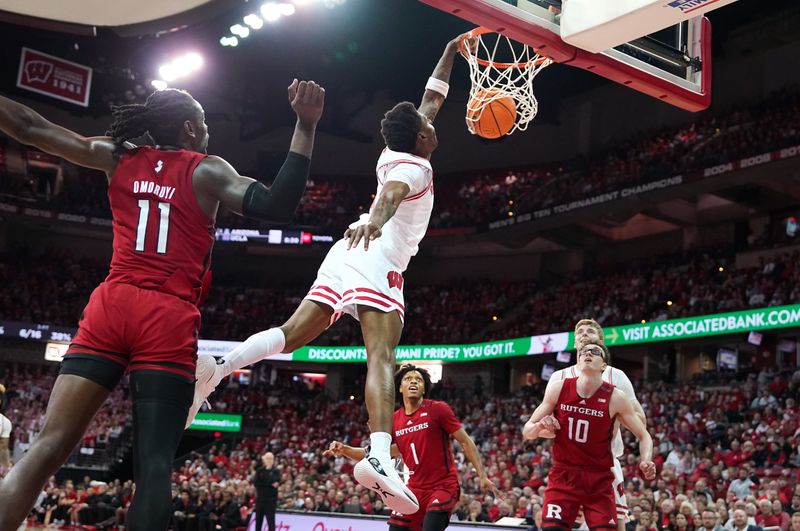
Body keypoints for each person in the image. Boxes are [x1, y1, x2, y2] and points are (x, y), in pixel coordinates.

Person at [0, 79, 325, 531]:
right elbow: (276, 204)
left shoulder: (116, 156)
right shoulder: (206, 169)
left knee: (47, 448)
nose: (209, 129)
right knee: (152, 465)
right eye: (205, 122)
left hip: (110, 305)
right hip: (166, 315)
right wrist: (305, 126)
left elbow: (31, 127)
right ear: (190, 129)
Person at [186, 35, 468, 514]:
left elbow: (433, 97)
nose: (433, 123)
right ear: (422, 137)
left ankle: (217, 368)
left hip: (346, 252)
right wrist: (376, 222)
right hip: (377, 255)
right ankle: (380, 456)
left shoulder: (401, 146)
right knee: (382, 355)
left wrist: (449, 49)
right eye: (428, 125)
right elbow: (390, 197)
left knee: (292, 336)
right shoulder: (411, 167)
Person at [323, 364, 499, 531]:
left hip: (443, 487)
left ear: (424, 389)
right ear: (400, 388)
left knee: (433, 522)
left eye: (419, 380)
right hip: (413, 489)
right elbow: (376, 454)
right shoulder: (393, 420)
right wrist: (345, 450)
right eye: (408, 378)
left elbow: (466, 441)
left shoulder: (438, 409)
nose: (414, 381)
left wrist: (482, 475)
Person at [523, 343, 656, 531]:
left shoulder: (615, 397)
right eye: (584, 352)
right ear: (578, 361)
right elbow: (527, 430)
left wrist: (646, 461)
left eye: (595, 352)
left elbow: (644, 435)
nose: (588, 354)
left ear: (603, 365)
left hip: (598, 479)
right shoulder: (558, 388)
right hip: (564, 474)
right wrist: (539, 427)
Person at [253, 452, 281, 531]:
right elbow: (256, 483)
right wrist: (269, 483)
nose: (269, 460)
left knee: (271, 521)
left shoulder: (276, 471)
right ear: (264, 460)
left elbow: (275, 481)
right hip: (260, 499)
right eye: (267, 458)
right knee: (258, 520)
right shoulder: (259, 470)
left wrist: (266, 480)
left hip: (271, 500)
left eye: (271, 459)